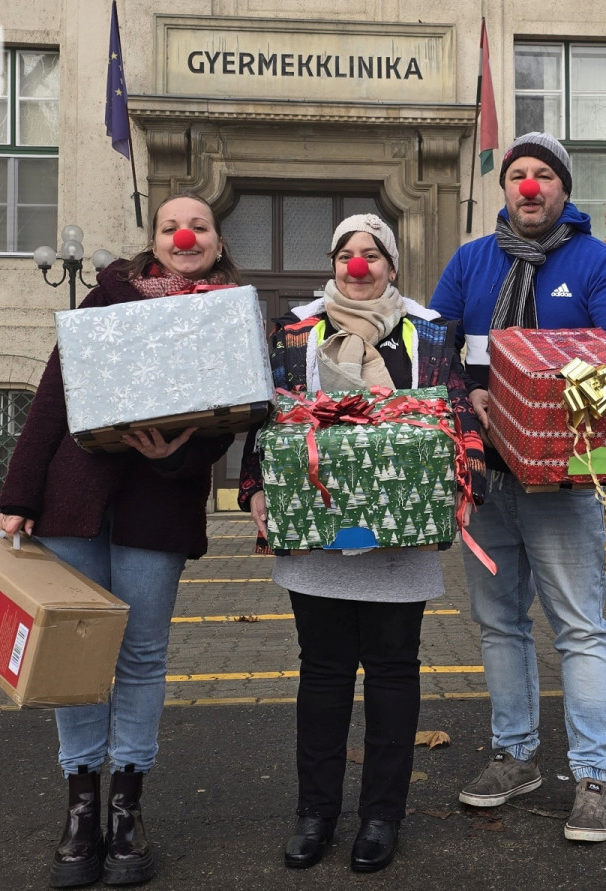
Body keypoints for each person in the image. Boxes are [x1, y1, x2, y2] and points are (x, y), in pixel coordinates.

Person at [430, 132, 606, 843]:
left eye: (543, 175)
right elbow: (435, 351)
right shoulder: (471, 262)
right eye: (517, 175)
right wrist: (458, 404)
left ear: (564, 186)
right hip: (488, 479)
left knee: (581, 626)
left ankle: (593, 775)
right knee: (500, 623)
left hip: (564, 484)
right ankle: (515, 756)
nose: (529, 187)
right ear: (504, 188)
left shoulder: (596, 262)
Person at [0, 193, 240, 888]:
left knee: (140, 656)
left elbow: (226, 425)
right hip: (73, 504)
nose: (184, 235)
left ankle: (127, 807)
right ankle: (81, 809)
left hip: (155, 511)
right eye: (170, 226)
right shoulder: (104, 299)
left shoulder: (224, 315)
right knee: (74, 653)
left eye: (197, 227)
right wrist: (18, 498)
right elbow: (52, 399)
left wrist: (176, 457)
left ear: (217, 244)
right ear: (155, 239)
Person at [238, 214, 486, 873]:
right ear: (333, 261)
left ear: (391, 266)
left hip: (398, 539)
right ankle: (315, 812)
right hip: (317, 532)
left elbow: (456, 410)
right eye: (347, 252)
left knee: (392, 674)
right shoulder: (295, 329)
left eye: (371, 253)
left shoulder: (429, 333)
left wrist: (469, 482)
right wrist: (255, 487)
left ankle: (381, 814)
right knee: (321, 675)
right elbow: (266, 414)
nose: (359, 262)